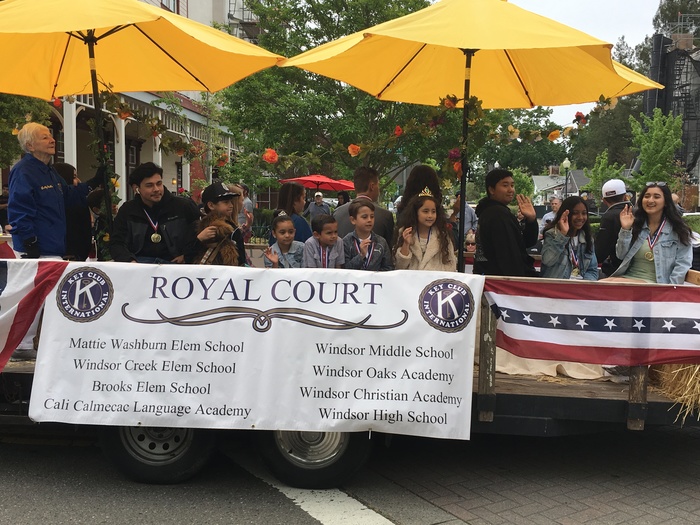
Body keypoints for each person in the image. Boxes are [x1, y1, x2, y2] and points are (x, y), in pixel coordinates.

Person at [8, 123, 98, 258]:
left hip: (54, 247)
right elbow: (19, 210)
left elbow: (69, 195)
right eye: (45, 138)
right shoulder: (24, 171)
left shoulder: (50, 171)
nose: (52, 140)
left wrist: (94, 182)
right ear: (30, 146)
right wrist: (29, 241)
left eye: (51, 136)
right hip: (37, 250)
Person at [110, 162, 200, 263]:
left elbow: (198, 237)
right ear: (136, 188)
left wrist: (186, 256)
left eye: (159, 183)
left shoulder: (184, 206)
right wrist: (130, 261)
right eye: (149, 185)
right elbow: (117, 243)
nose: (156, 189)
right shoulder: (128, 210)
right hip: (140, 266)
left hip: (175, 268)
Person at [609, 182, 692, 284]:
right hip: (628, 278)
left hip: (656, 284)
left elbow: (682, 264)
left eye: (656, 197)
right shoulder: (637, 225)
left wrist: (670, 291)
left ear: (665, 202)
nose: (650, 200)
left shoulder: (679, 230)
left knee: (607, 284)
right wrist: (625, 229)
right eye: (647, 196)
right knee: (602, 283)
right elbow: (620, 255)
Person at [473, 168, 538, 277]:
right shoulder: (497, 214)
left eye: (512, 185)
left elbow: (524, 243)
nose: (510, 190)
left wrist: (531, 219)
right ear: (492, 190)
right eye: (505, 185)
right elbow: (508, 255)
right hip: (502, 281)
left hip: (492, 276)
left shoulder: (494, 212)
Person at [394, 188, 456, 272]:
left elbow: (451, 265)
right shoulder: (406, 232)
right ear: (416, 212)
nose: (430, 215)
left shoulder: (443, 235)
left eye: (433, 211)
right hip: (412, 283)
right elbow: (399, 267)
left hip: (435, 283)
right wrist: (406, 244)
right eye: (425, 211)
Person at [334, 166, 394, 250]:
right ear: (372, 186)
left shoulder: (337, 213)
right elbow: (388, 249)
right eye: (378, 185)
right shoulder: (385, 216)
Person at [541, 196, 598, 280]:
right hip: (557, 288)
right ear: (565, 214)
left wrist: (584, 286)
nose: (580, 217)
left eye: (584, 213)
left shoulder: (587, 238)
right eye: (575, 213)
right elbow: (547, 261)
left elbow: (592, 270)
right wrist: (562, 235)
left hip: (580, 289)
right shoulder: (552, 234)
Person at [195, 181, 246, 266]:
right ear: (211, 205)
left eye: (231, 201)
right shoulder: (197, 226)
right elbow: (187, 256)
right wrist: (199, 239)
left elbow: (241, 260)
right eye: (226, 202)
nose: (231, 205)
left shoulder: (233, 229)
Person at [54, 162, 92, 261]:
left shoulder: (76, 197)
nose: (78, 181)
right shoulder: (68, 199)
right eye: (74, 177)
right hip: (69, 254)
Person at [343, 199, 393, 271]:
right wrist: (361, 255)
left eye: (372, 216)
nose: (369, 220)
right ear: (353, 220)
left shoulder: (381, 242)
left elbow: (388, 267)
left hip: (375, 281)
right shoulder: (346, 242)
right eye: (364, 217)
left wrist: (374, 276)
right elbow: (344, 269)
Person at [595, 178, 630, 278]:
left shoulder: (608, 217)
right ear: (625, 197)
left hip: (616, 270)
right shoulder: (636, 213)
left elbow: (600, 251)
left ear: (604, 200)